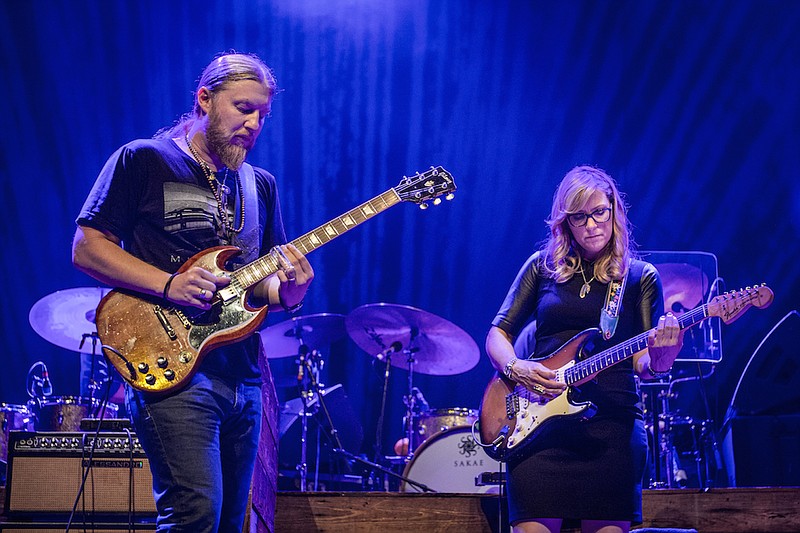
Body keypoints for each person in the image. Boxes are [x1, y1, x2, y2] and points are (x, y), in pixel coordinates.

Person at [72, 52, 313, 533]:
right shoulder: (144, 158)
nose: (254, 123)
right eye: (243, 107)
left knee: (227, 523)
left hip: (243, 377)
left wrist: (292, 290)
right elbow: (87, 249)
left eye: (263, 115)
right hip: (173, 366)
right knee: (193, 515)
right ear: (204, 99)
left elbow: (258, 282)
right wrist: (169, 284)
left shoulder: (258, 183)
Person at [485, 165, 683, 533]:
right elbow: (497, 335)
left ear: (614, 212)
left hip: (611, 429)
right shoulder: (541, 268)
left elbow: (645, 365)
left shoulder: (639, 277)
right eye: (579, 217)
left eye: (599, 213)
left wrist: (664, 355)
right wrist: (516, 368)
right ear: (565, 222)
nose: (591, 224)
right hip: (540, 427)